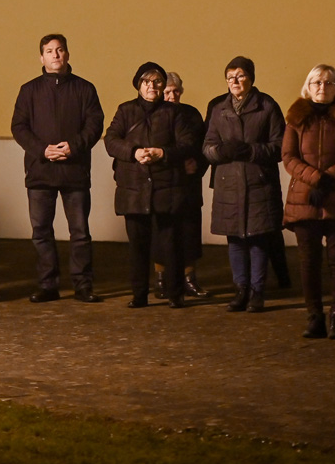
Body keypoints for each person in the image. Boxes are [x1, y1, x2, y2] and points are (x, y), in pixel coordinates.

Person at [11, 34, 105, 304]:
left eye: (60, 50)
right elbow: (19, 127)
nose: (55, 55)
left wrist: (73, 147)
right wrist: (42, 149)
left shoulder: (85, 89)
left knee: (80, 232)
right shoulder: (28, 90)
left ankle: (83, 286)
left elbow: (95, 125)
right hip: (40, 172)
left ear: (67, 54)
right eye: (49, 51)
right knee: (41, 232)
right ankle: (47, 285)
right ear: (41, 57)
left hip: (74, 172)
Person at [281, 64, 335, 339]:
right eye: (317, 82)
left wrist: (329, 179)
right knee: (309, 262)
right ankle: (314, 316)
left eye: (329, 83)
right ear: (308, 86)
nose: (322, 87)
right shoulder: (295, 117)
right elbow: (289, 157)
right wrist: (316, 179)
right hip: (305, 198)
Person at [104, 62, 196, 308]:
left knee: (171, 244)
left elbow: (187, 143)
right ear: (138, 85)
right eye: (146, 81)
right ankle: (139, 295)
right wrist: (134, 152)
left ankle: (175, 294)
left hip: (167, 188)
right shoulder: (125, 110)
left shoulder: (174, 113)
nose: (152, 86)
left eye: (157, 82)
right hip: (133, 189)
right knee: (138, 247)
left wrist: (162, 153)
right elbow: (110, 140)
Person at [202, 56, 284, 313]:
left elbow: (280, 146)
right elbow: (207, 147)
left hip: (259, 182)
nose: (234, 81)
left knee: (258, 239)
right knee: (235, 239)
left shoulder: (267, 106)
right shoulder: (219, 109)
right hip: (228, 184)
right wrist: (221, 152)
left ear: (251, 78)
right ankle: (241, 289)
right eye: (230, 77)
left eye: (239, 76)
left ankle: (257, 291)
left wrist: (251, 151)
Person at [160, 72, 210, 299]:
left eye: (176, 91)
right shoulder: (154, 114)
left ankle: (189, 278)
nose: (172, 96)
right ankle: (161, 280)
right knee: (162, 233)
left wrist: (196, 165)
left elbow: (203, 146)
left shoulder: (191, 114)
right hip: (163, 184)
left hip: (189, 184)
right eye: (167, 92)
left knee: (190, 233)